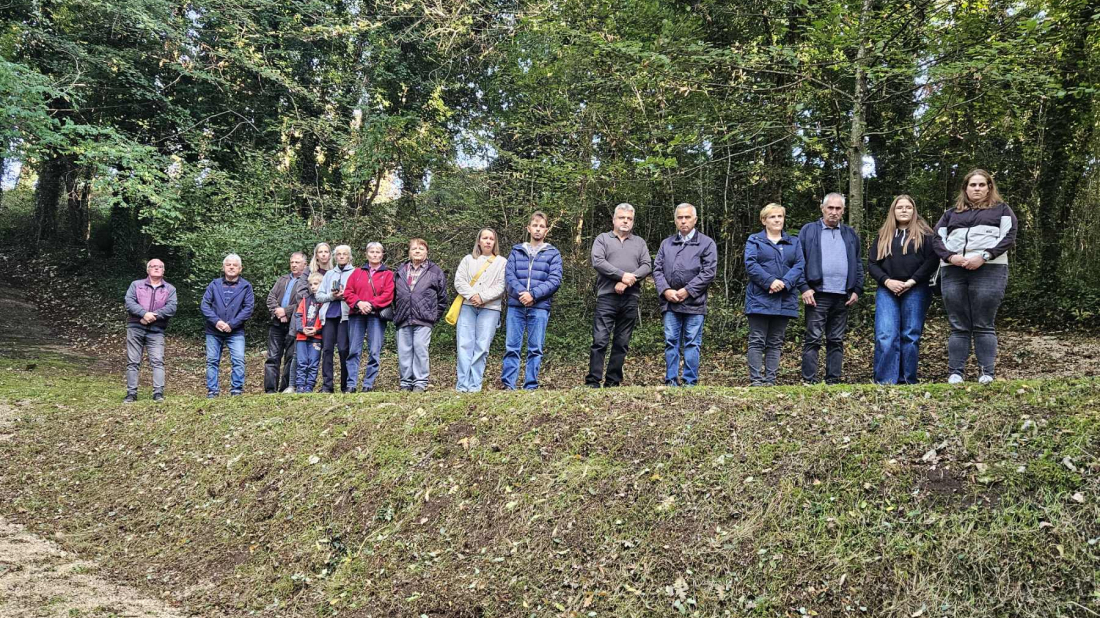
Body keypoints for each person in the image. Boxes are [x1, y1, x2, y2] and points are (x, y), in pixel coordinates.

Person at [932, 169, 1018, 385]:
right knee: (958, 324)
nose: (977, 188)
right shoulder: (951, 214)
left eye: (981, 185)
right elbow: (937, 239)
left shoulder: (1002, 210)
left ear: (989, 187)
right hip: (953, 271)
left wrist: (985, 256)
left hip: (990, 269)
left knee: (983, 323)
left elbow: (1009, 236)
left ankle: (986, 373)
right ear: (965, 188)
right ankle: (956, 373)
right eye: (973, 185)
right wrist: (952, 258)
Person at [870, 195, 938, 385]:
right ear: (893, 210)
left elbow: (932, 261)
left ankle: (907, 379)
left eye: (908, 207)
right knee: (886, 334)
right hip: (887, 289)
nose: (904, 210)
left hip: (916, 288)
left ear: (913, 210)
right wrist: (887, 281)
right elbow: (872, 264)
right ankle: (885, 380)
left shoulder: (926, 234)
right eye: (900, 207)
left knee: (910, 334)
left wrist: (912, 281)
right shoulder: (884, 234)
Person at [798, 193, 864, 385]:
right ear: (822, 208)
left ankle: (833, 380)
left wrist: (857, 290)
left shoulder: (850, 234)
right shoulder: (809, 230)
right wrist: (804, 287)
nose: (834, 212)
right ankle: (808, 381)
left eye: (838, 209)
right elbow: (798, 261)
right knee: (813, 338)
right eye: (830, 208)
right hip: (817, 294)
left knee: (836, 339)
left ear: (843, 211)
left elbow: (858, 263)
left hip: (843, 295)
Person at [586, 203, 652, 388]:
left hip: (630, 298)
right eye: (622, 217)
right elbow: (598, 261)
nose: (625, 221)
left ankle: (613, 381)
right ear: (614, 219)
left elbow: (647, 265)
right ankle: (593, 381)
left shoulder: (639, 243)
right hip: (607, 297)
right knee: (600, 340)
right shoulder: (602, 239)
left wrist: (629, 280)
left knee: (622, 342)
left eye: (629, 218)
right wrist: (621, 275)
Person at [653, 203, 717, 387]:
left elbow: (709, 272)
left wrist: (687, 290)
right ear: (675, 220)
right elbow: (657, 269)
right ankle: (671, 381)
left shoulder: (706, 243)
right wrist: (666, 290)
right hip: (670, 303)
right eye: (680, 218)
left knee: (692, 343)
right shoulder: (666, 243)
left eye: (687, 217)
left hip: (695, 303)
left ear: (695, 220)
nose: (683, 221)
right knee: (671, 342)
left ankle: (690, 382)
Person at [743, 204, 804, 386]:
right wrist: (770, 281)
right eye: (772, 217)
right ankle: (756, 380)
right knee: (757, 339)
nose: (777, 220)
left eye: (780, 216)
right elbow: (751, 264)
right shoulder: (754, 240)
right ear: (764, 220)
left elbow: (800, 265)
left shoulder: (794, 242)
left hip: (784, 298)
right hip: (759, 298)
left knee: (775, 341)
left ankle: (770, 380)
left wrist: (784, 283)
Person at [501, 212, 563, 390]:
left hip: (540, 307)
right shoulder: (516, 250)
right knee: (512, 347)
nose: (538, 229)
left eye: (541, 226)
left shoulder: (553, 253)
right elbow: (509, 275)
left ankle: (530, 385)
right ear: (529, 228)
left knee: (535, 348)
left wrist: (533, 295)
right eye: (535, 225)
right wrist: (522, 293)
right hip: (516, 305)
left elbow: (554, 280)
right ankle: (508, 385)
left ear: (546, 230)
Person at [454, 228, 508, 392]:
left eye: (491, 238)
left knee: (482, 347)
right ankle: (462, 385)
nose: (488, 241)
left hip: (490, 308)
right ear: (479, 241)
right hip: (467, 307)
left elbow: (501, 285)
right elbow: (459, 281)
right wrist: (473, 296)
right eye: (485, 238)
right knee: (464, 345)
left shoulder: (502, 262)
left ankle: (475, 385)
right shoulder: (468, 260)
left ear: (494, 242)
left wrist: (483, 297)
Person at [393, 238, 448, 392]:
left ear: (427, 252)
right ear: (409, 252)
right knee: (404, 351)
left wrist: (433, 316)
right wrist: (396, 313)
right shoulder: (400, 270)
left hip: (424, 319)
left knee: (420, 348)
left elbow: (442, 298)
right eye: (414, 248)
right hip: (403, 317)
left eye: (421, 249)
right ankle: (405, 383)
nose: (417, 251)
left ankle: (420, 382)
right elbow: (393, 295)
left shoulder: (435, 271)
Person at [122, 259, 178, 402]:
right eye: (153, 266)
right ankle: (131, 394)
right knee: (133, 361)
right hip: (135, 327)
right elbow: (129, 302)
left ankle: (158, 393)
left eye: (160, 267)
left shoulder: (170, 289)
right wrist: (143, 313)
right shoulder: (136, 285)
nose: (156, 268)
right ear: (148, 270)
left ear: (164, 270)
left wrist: (151, 316)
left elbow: (171, 307)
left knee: (158, 361)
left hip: (157, 330)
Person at [200, 254, 255, 397]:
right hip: (213, 330)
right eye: (228, 265)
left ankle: (236, 390)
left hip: (235, 331)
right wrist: (217, 321)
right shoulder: (214, 284)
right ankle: (212, 391)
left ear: (240, 268)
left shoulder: (246, 286)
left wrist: (232, 324)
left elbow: (248, 308)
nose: (231, 267)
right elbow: (205, 305)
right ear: (223, 267)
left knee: (238, 360)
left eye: (235, 265)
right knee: (212, 361)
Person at [344, 242, 395, 392]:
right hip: (356, 315)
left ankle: (368, 384)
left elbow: (388, 295)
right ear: (366, 254)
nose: (374, 254)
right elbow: (348, 292)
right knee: (354, 350)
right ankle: (351, 384)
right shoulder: (357, 272)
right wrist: (359, 303)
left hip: (376, 316)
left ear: (382, 255)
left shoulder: (388, 274)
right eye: (371, 251)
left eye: (378, 252)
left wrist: (371, 305)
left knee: (374, 350)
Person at [285, 242, 334, 392]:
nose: (324, 254)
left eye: (326, 251)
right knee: (298, 357)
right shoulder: (308, 271)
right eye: (320, 252)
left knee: (318, 356)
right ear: (316, 254)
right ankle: (295, 385)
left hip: (324, 319)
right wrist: (313, 301)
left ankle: (314, 385)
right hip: (304, 322)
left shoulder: (333, 272)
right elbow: (301, 294)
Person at [264, 252, 306, 393]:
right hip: (276, 323)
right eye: (292, 262)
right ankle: (270, 390)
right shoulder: (282, 279)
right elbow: (271, 297)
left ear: (305, 264)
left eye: (297, 262)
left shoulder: (305, 281)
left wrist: (286, 311)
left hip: (293, 324)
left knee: (290, 357)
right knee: (272, 357)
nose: (294, 265)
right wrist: (277, 310)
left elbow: (302, 302)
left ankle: (285, 389)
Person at [316, 245, 355, 393]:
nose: (341, 256)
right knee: (327, 350)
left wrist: (345, 296)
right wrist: (332, 296)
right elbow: (319, 295)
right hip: (329, 316)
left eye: (345, 254)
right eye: (338, 254)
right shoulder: (329, 274)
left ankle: (346, 385)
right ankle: (327, 385)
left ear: (349, 256)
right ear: (335, 257)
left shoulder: (355, 273)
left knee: (344, 350)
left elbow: (357, 294)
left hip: (346, 316)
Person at [294, 272, 325, 393]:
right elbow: (298, 315)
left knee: (313, 362)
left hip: (316, 337)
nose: (313, 287)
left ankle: (309, 386)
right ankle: (300, 385)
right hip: (302, 337)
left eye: (316, 284)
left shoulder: (325, 301)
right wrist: (302, 329)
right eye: (311, 284)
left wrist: (317, 329)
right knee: (301, 361)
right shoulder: (305, 300)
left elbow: (325, 319)